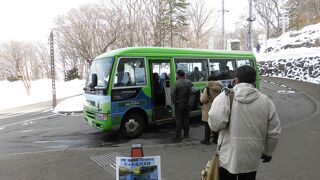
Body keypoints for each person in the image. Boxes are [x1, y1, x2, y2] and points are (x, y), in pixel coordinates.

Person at [208, 65, 281, 180]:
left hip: (228, 155)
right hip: (252, 156)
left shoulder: (225, 97)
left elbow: (215, 124)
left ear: (236, 80)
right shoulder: (266, 102)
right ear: (254, 81)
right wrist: (268, 152)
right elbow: (274, 132)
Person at [199, 75, 223, 145]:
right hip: (217, 107)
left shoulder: (208, 88)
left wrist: (201, 95)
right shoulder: (221, 87)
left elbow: (203, 100)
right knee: (215, 123)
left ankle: (207, 140)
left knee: (207, 124)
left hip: (208, 108)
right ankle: (216, 140)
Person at [171, 69, 193, 142]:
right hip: (187, 103)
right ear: (184, 75)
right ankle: (186, 134)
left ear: (178, 75)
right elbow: (192, 91)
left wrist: (174, 101)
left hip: (179, 103)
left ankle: (178, 136)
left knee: (179, 120)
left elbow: (173, 93)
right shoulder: (189, 82)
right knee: (186, 118)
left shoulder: (177, 83)